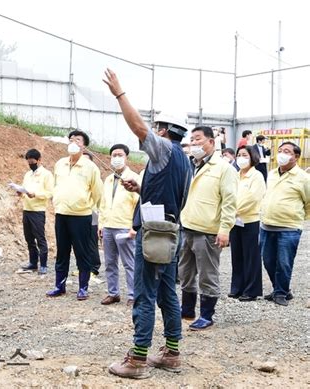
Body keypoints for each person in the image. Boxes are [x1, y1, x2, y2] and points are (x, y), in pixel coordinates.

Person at [104, 69, 191, 379]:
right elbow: (171, 196)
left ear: (166, 130)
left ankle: (137, 359)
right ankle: (172, 352)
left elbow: (138, 127)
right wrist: (141, 189)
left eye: (158, 128)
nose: (154, 131)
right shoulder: (183, 159)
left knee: (144, 293)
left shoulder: (164, 148)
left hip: (153, 235)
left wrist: (119, 94)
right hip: (169, 233)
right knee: (167, 293)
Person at [179, 126, 238, 330]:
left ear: (211, 142)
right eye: (192, 140)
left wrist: (225, 229)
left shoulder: (224, 169)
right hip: (187, 226)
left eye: (198, 139)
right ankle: (187, 309)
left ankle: (206, 315)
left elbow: (230, 202)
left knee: (207, 274)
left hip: (208, 230)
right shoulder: (189, 166)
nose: (194, 144)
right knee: (185, 272)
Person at [46, 130, 103, 301]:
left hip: (81, 216)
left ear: (84, 146)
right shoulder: (60, 163)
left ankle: (83, 288)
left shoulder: (90, 167)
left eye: (77, 140)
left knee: (82, 252)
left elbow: (97, 192)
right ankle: (59, 286)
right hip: (61, 214)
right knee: (62, 251)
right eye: (71, 139)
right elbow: (55, 185)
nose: (73, 142)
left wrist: (88, 207)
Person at [260, 142, 310, 306]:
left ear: (296, 157)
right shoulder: (272, 173)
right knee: (268, 260)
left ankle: (280, 293)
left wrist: (297, 217)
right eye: (280, 151)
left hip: (289, 227)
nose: (281, 154)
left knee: (284, 262)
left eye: (287, 151)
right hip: (266, 225)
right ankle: (280, 289)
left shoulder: (303, 178)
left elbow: (308, 202)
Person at [99, 143, 140, 307]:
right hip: (108, 226)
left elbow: (139, 204)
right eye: (114, 155)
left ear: (126, 157)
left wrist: (134, 227)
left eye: (119, 155)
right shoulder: (108, 179)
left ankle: (133, 294)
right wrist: (101, 224)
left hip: (125, 227)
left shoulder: (134, 178)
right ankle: (113, 293)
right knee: (109, 262)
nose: (116, 158)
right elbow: (103, 204)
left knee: (129, 263)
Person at [228, 146, 266, 301]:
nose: (241, 157)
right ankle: (237, 287)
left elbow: (253, 198)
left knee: (251, 256)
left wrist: (234, 210)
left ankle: (251, 290)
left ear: (252, 157)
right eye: (239, 155)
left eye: (245, 155)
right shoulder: (235, 175)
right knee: (236, 255)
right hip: (234, 221)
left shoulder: (256, 176)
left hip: (249, 220)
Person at [19, 149, 54, 274]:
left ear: (39, 160)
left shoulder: (47, 174)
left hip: (38, 211)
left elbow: (50, 193)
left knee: (40, 239)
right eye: (28, 162)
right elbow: (25, 190)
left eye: (32, 161)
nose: (30, 164)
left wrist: (36, 194)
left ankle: (43, 265)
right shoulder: (27, 175)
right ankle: (33, 263)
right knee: (29, 238)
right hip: (26, 210)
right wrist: (21, 193)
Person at [82, 151, 102, 277]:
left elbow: (99, 196)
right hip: (81, 213)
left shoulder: (95, 176)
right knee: (82, 241)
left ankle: (94, 266)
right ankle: (85, 266)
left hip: (93, 212)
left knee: (91, 239)